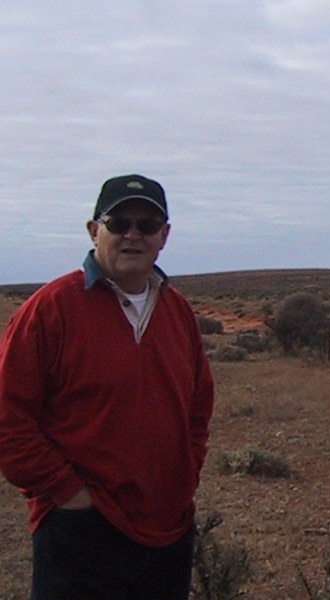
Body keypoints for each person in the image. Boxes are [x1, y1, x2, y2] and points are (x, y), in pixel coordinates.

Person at [0, 174, 214, 599]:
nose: (133, 235)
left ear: (164, 236)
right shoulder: (51, 309)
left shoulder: (177, 311)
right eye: (119, 223)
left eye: (147, 225)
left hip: (167, 529)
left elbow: (197, 408)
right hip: (81, 530)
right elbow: (8, 417)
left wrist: (184, 477)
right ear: (94, 230)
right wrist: (67, 492)